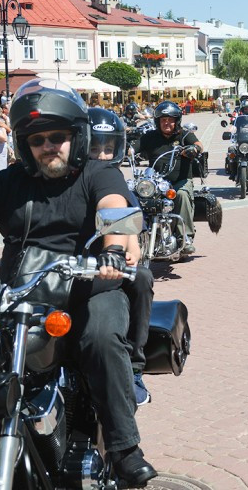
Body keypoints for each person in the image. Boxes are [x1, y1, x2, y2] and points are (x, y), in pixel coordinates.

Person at [0, 80, 156, 485]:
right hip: (23, 289)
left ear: (77, 136)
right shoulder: (10, 181)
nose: (49, 145)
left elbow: (115, 205)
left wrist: (111, 250)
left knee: (102, 339)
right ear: (25, 144)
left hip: (89, 284)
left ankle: (124, 447)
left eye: (58, 137)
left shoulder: (98, 172)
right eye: (38, 139)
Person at [89, 107, 155, 405]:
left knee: (141, 278)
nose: (102, 154)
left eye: (108, 148)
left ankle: (135, 366)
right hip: (70, 266)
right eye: (94, 147)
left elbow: (128, 228)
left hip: (108, 266)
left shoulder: (114, 183)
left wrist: (128, 252)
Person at [139, 100, 202, 255]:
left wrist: (193, 149)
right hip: (158, 182)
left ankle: (185, 237)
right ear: (158, 121)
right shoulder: (150, 136)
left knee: (181, 195)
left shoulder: (184, 134)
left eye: (170, 120)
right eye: (163, 120)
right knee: (139, 195)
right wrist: (123, 150)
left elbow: (199, 144)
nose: (167, 123)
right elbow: (133, 148)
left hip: (180, 181)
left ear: (176, 121)